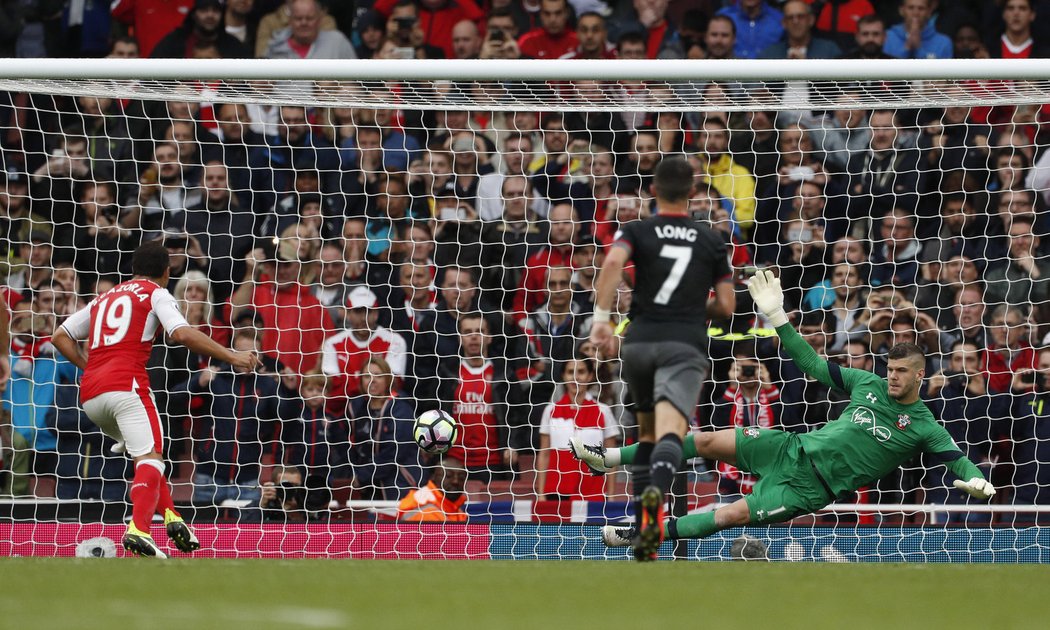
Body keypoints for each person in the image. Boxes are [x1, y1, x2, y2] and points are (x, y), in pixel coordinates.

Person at [575, 270, 996, 554]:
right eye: (891, 369)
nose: (893, 378)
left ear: (921, 376)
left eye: (902, 373)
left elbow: (956, 459)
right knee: (703, 440)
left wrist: (976, 478)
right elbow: (813, 366)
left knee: (727, 514)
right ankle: (605, 459)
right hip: (787, 449)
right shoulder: (867, 382)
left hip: (807, 490)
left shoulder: (924, 426)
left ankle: (641, 534)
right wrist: (776, 315)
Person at [51, 241, 261, 558]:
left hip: (92, 395)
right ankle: (139, 529)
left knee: (145, 458)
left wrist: (90, 367)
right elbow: (181, 333)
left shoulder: (104, 297)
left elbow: (60, 336)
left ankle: (173, 517)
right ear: (167, 272)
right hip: (127, 387)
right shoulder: (156, 292)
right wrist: (232, 356)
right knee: (151, 457)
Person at [588, 157, 736, 561]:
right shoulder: (710, 239)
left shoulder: (635, 229)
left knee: (647, 436)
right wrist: (690, 306)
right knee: (672, 435)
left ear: (652, 191)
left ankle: (642, 526)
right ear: (692, 192)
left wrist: (601, 321)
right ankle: (657, 503)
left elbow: (614, 262)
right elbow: (725, 305)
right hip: (682, 344)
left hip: (637, 343)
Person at [398, 455, 469, 522]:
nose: (455, 481)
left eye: (461, 478)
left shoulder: (455, 508)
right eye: (448, 476)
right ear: (433, 477)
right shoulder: (425, 508)